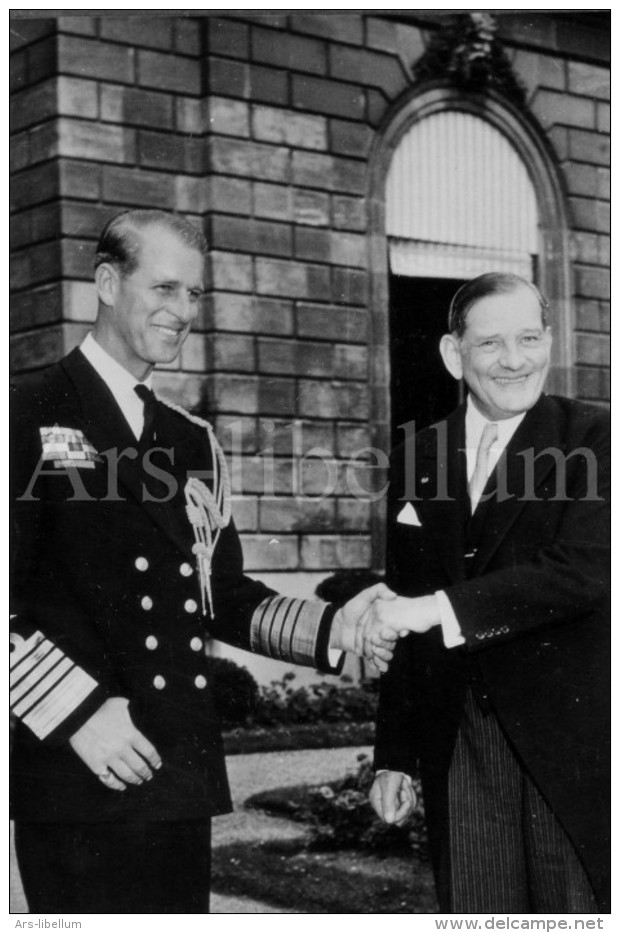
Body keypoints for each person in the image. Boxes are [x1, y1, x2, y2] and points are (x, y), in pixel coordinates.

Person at [10, 208, 394, 914]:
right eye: (164, 289)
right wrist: (75, 713)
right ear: (105, 282)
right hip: (77, 772)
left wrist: (337, 628)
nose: (183, 311)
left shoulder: (189, 440)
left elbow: (224, 593)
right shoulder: (25, 411)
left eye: (194, 294)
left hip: (175, 774)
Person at [367, 273, 610, 913]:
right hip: (462, 747)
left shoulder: (594, 437)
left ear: (550, 341)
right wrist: (393, 755)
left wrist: (433, 610)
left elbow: (584, 570)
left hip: (571, 749)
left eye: (529, 338)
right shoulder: (418, 454)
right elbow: (401, 606)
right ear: (454, 354)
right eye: (492, 343)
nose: (515, 360)